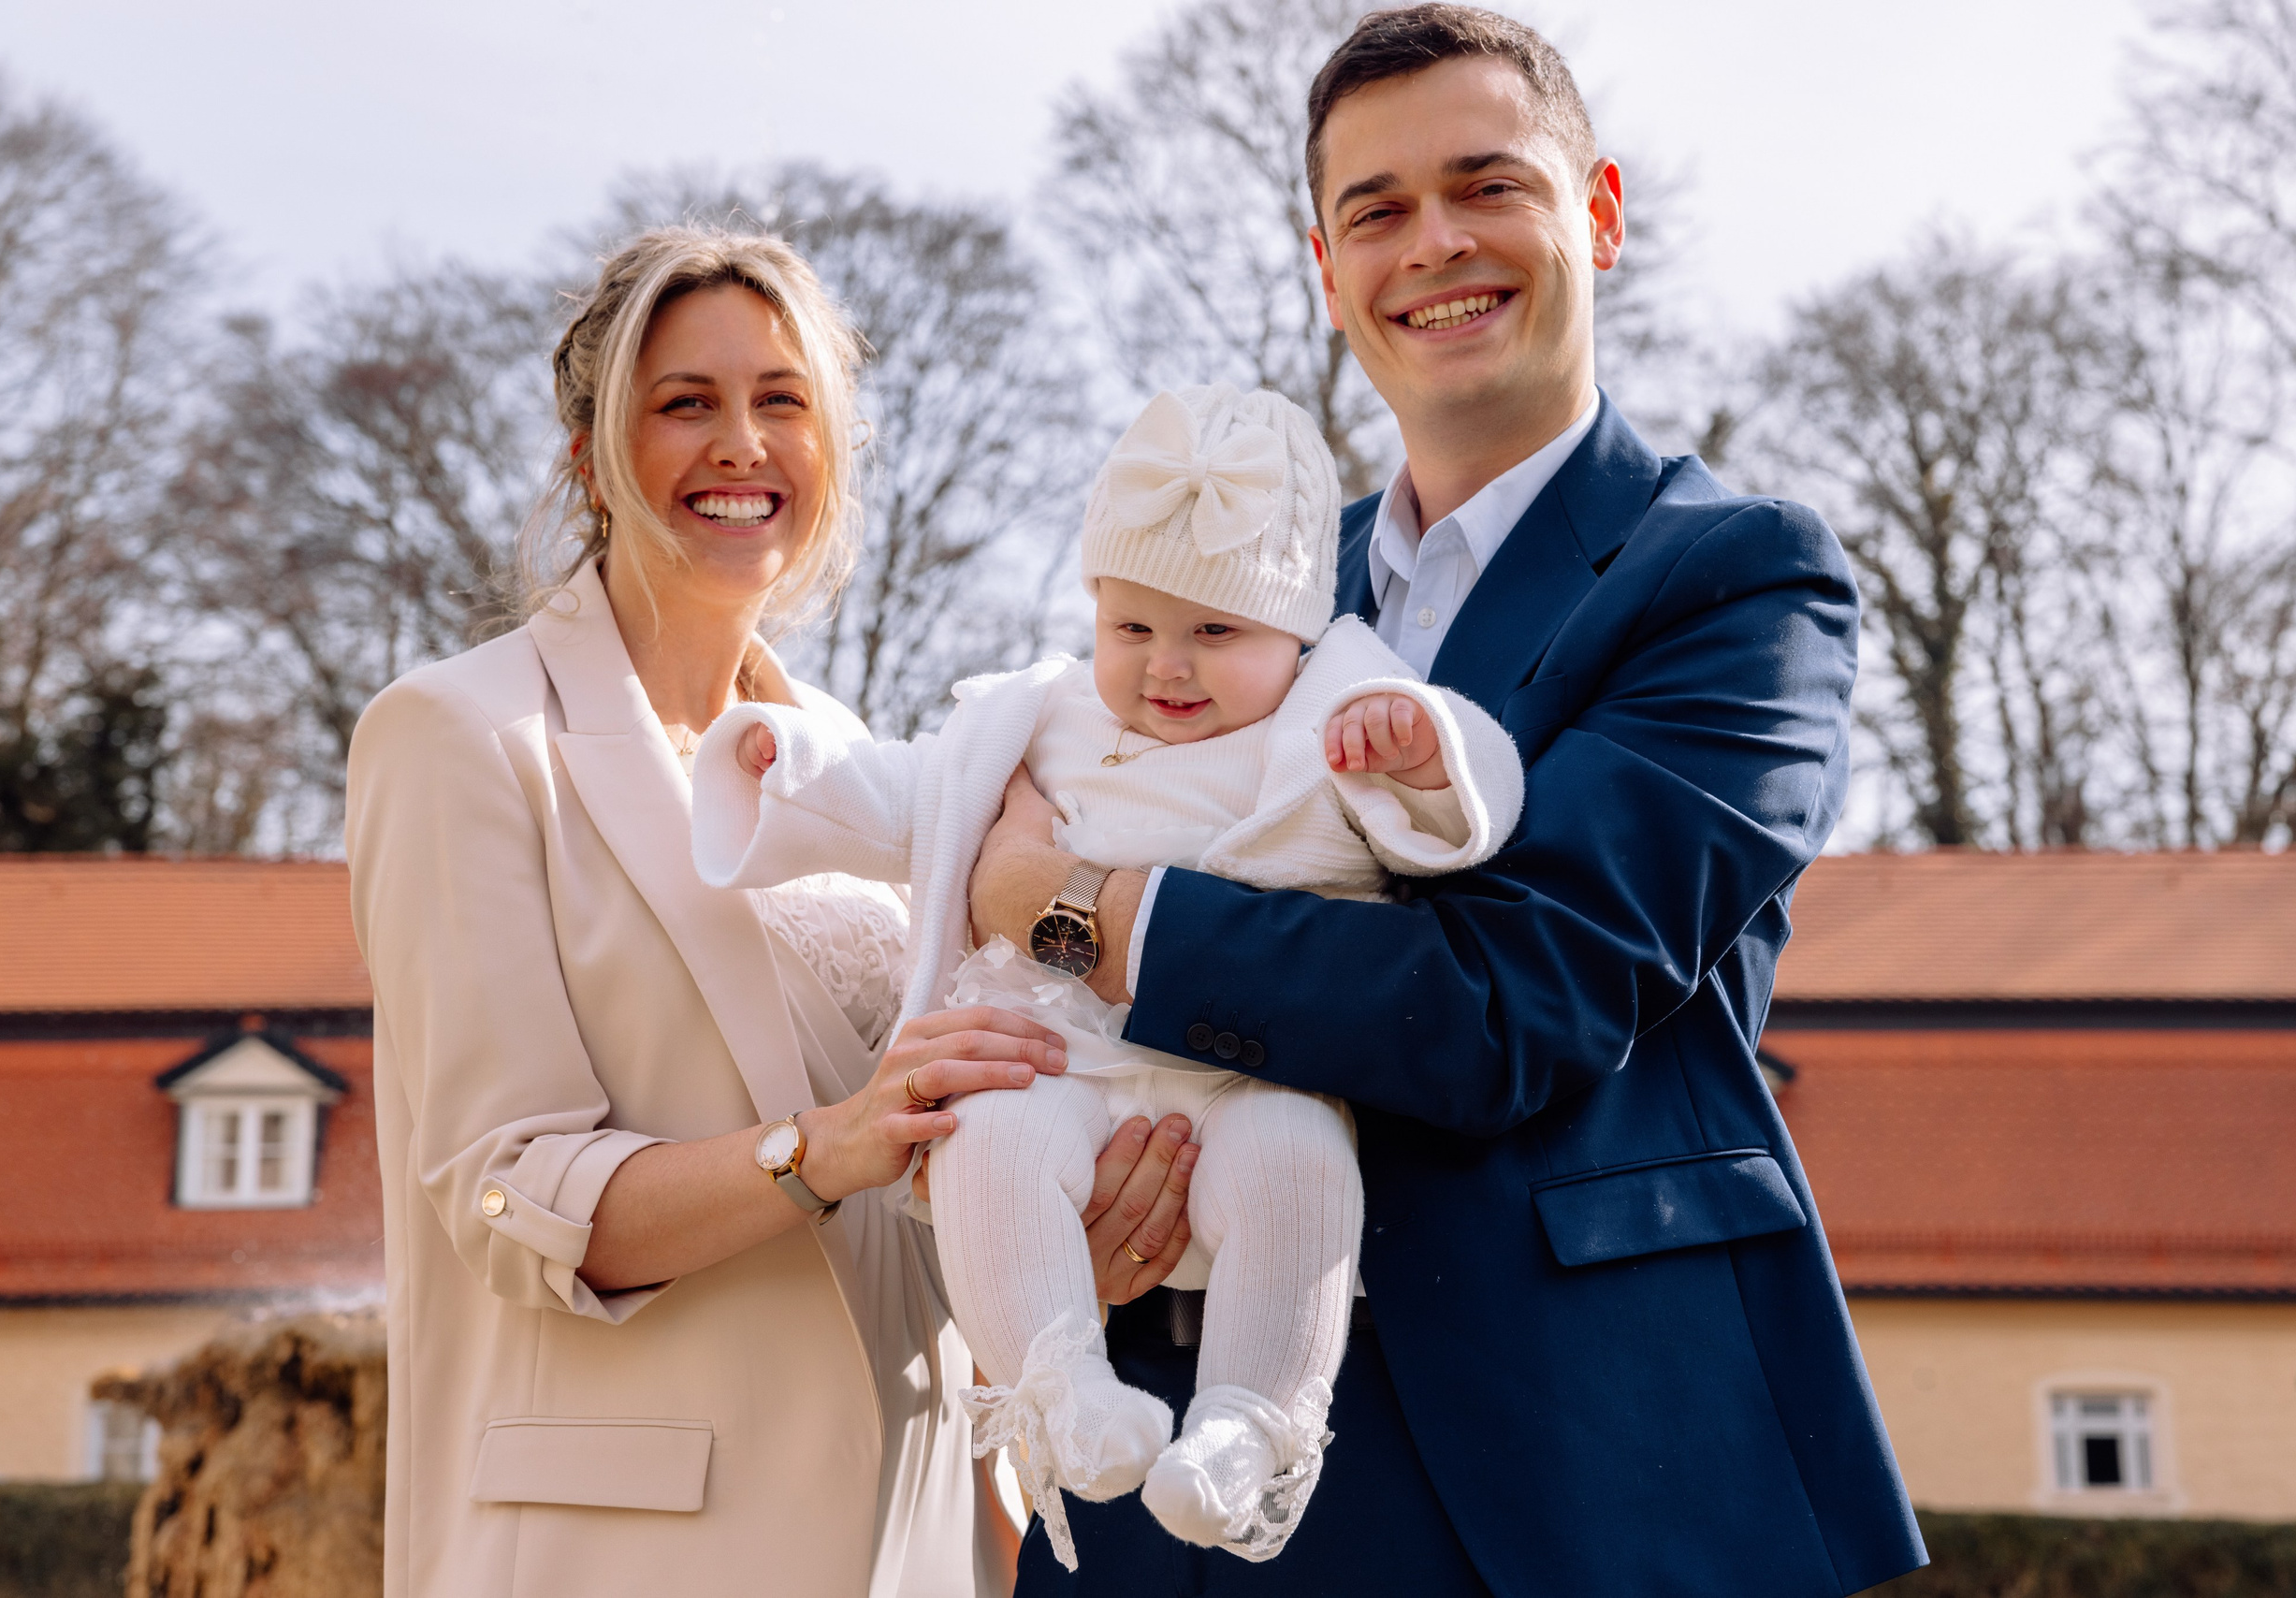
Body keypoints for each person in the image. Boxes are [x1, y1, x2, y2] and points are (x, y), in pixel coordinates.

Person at [968, 7, 1930, 1596]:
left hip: (1572, 1460)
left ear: (1598, 212)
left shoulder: (1738, 579)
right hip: (1183, 1443)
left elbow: (1509, 1004)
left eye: (1488, 185)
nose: (1436, 245)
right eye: (1378, 209)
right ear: (1325, 264)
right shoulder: (1233, 601)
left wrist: (1070, 911)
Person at [344, 224, 1199, 1598]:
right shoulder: (459, 736)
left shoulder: (857, 764)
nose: (741, 443)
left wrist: (1044, 1257)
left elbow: (914, 1200)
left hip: (917, 1544)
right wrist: (830, 1143)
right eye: (686, 403)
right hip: (618, 1555)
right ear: (590, 455)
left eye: (782, 403)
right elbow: (506, 1194)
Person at [689, 382, 1524, 1569]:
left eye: (1214, 634)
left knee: (1303, 1179)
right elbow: (913, 796)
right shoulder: (1040, 720)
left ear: (1296, 634)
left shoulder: (1330, 721)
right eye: (1131, 628)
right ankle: (1057, 1385)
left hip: (1250, 1078)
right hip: (1057, 1051)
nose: (1165, 669)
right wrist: (789, 766)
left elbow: (1457, 813)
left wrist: (1421, 758)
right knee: (986, 1144)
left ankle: (1250, 1422)